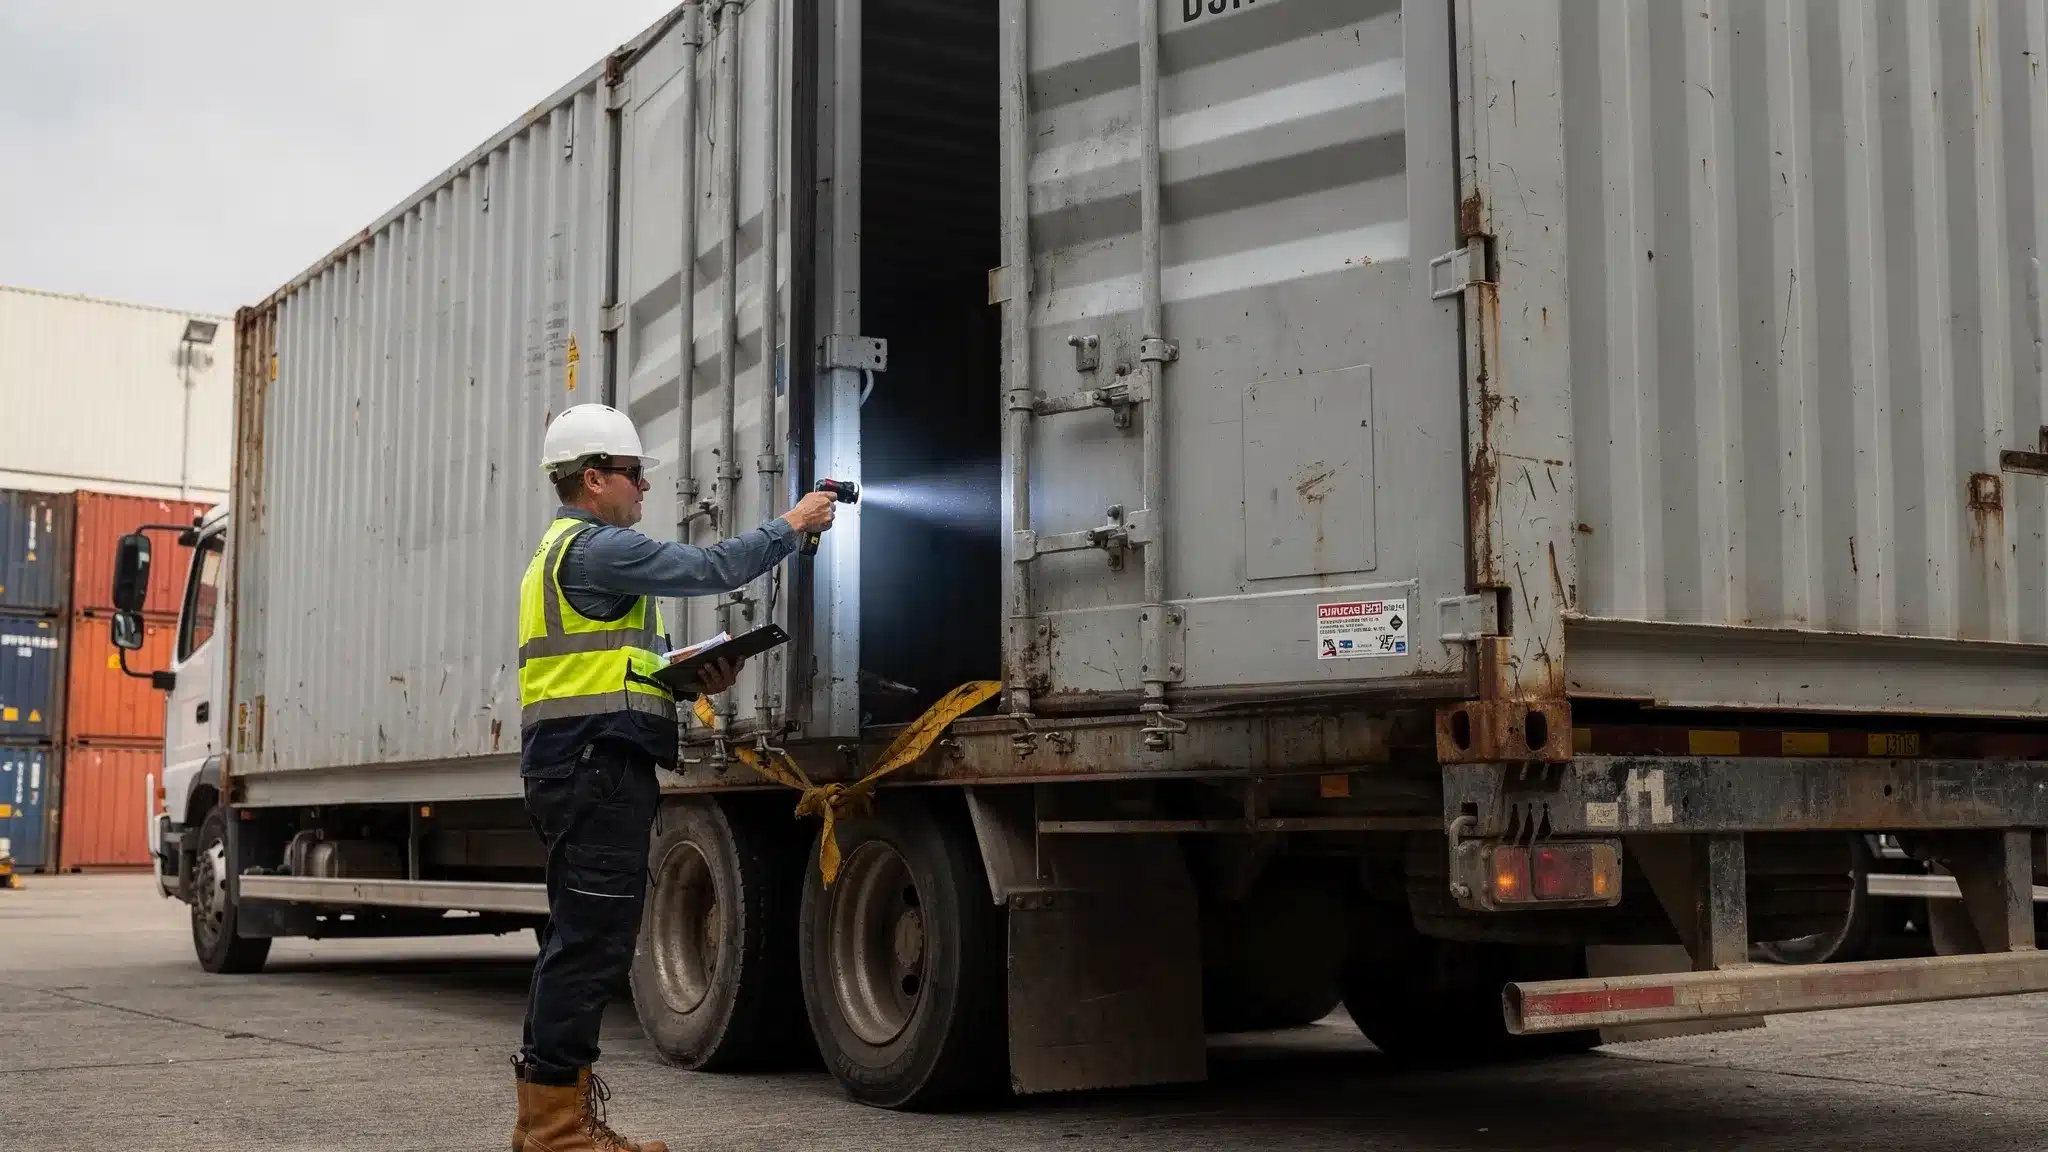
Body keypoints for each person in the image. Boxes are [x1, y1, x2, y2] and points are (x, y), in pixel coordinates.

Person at [512, 403, 837, 1152]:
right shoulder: (594, 549)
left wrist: (689, 681)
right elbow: (709, 569)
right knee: (589, 944)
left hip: (585, 764)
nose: (644, 488)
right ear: (594, 479)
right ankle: (556, 1132)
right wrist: (793, 524)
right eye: (633, 474)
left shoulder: (564, 556)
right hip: (596, 768)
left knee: (578, 938)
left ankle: (548, 1122)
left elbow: (611, 672)